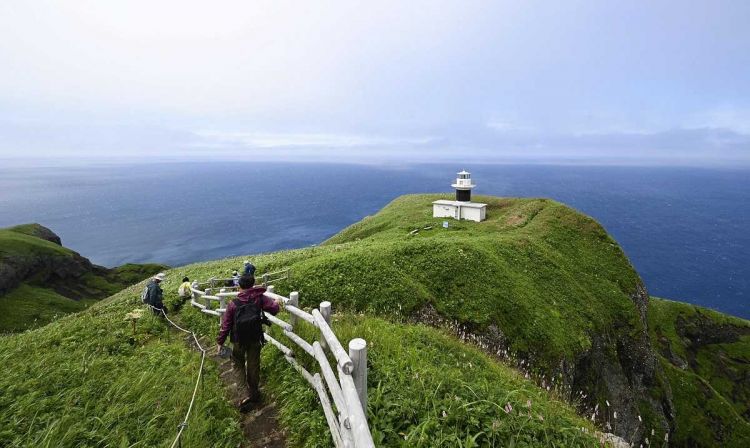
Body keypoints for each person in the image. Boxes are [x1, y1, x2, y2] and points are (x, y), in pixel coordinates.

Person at [216, 274, 280, 409]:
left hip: (238, 340)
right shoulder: (259, 298)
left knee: (238, 365)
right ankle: (254, 393)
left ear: (239, 286)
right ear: (253, 284)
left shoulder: (233, 304)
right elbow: (274, 309)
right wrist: (277, 302)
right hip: (255, 338)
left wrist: (220, 342)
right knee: (253, 365)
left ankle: (243, 395)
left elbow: (226, 325)